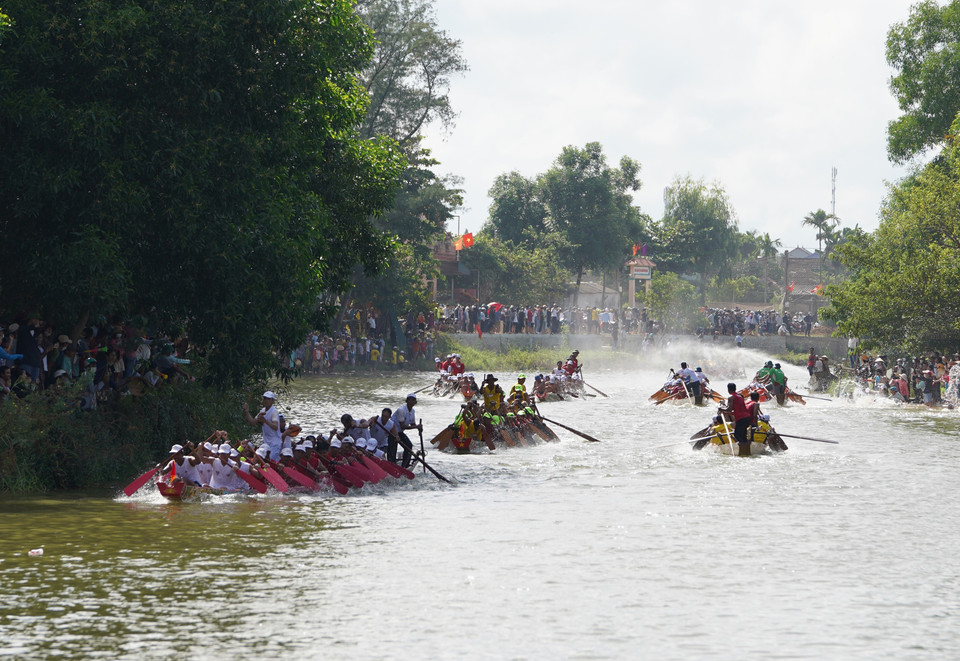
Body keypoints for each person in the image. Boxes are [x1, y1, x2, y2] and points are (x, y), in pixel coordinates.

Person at [243, 390, 282, 460]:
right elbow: (252, 422)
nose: (266, 401)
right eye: (265, 399)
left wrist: (265, 421)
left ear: (272, 401)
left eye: (268, 399)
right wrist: (247, 412)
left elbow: (275, 427)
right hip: (266, 442)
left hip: (275, 443)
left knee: (270, 461)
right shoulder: (263, 411)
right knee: (262, 460)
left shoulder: (274, 412)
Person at [389, 394, 421, 468]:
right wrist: (417, 427)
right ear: (406, 401)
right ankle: (392, 466)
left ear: (415, 402)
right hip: (391, 432)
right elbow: (402, 426)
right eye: (409, 400)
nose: (411, 401)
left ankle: (405, 465)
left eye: (413, 400)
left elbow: (413, 424)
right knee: (393, 449)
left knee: (409, 446)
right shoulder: (401, 410)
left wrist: (419, 428)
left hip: (400, 432)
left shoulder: (412, 411)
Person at [723, 382, 752, 456]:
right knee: (743, 435)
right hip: (747, 417)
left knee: (737, 434)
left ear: (729, 389)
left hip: (741, 419)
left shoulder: (731, 397)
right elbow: (736, 409)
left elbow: (729, 409)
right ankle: (746, 450)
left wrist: (721, 409)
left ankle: (743, 449)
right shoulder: (740, 397)